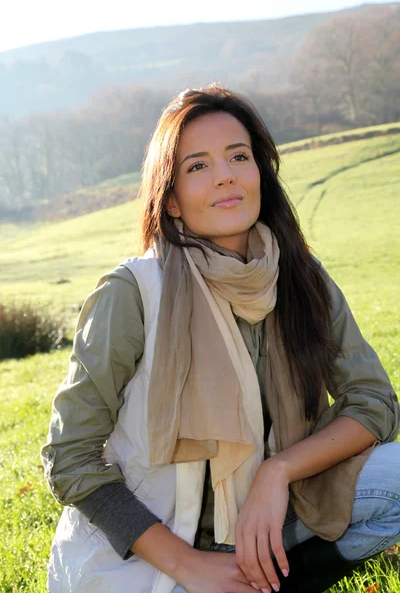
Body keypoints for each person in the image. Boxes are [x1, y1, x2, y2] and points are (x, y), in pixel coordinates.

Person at [41, 85, 399, 593]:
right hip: (153, 553)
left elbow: (374, 400)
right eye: (197, 166)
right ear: (171, 199)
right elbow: (69, 456)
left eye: (238, 156)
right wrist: (187, 564)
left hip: (272, 516)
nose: (226, 174)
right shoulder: (134, 292)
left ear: (260, 173)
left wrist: (278, 473)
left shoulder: (301, 278)